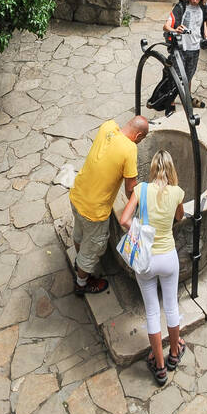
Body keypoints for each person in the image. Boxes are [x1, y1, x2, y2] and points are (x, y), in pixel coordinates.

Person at [120, 150, 185, 385]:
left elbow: (124, 219)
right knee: (171, 305)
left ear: (153, 169)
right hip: (168, 257)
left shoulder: (140, 190)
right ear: (171, 169)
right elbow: (180, 217)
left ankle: (159, 366)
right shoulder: (177, 193)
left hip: (145, 261)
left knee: (151, 312)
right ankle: (174, 354)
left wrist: (140, 232)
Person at [69, 115, 149, 295]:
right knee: (93, 248)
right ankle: (82, 284)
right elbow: (130, 188)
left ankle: (79, 261)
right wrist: (140, 201)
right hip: (94, 211)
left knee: (79, 232)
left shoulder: (108, 126)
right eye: (141, 140)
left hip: (77, 194)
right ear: (137, 137)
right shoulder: (130, 150)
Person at [164, 0, 207, 109]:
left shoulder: (203, 8)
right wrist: (175, 29)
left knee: (188, 76)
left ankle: (187, 99)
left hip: (194, 48)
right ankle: (170, 103)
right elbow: (166, 26)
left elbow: (203, 23)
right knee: (176, 77)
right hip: (180, 48)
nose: (195, 0)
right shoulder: (180, 7)